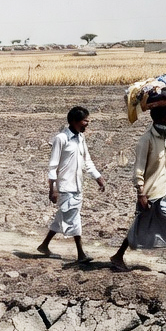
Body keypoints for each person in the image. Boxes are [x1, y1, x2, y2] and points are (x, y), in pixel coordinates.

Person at [109, 89, 166, 279]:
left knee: (163, 225)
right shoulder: (146, 140)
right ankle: (120, 257)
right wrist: (140, 194)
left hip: (164, 191)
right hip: (150, 193)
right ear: (160, 115)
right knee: (148, 225)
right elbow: (138, 169)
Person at [36, 107, 104, 263]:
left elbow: (87, 161)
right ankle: (81, 253)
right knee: (74, 218)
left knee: (63, 216)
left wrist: (97, 176)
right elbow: (53, 166)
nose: (87, 123)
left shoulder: (80, 138)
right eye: (85, 120)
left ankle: (44, 245)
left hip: (78, 186)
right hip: (65, 187)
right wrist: (52, 189)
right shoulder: (61, 138)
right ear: (74, 121)